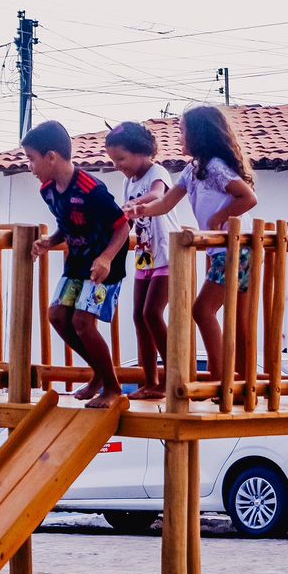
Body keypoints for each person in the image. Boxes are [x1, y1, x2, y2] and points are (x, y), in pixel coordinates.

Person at [126, 105, 258, 382]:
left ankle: (221, 379)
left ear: (199, 135)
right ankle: (235, 381)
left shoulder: (215, 168)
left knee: (204, 310)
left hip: (235, 251)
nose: (180, 137)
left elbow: (248, 198)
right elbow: (165, 203)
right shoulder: (192, 170)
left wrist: (220, 217)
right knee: (233, 317)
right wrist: (141, 210)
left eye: (183, 131)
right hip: (224, 252)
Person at [23, 120, 130, 409]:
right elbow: (67, 224)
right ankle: (99, 374)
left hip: (103, 267)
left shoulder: (91, 189)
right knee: (57, 316)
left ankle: (113, 388)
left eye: (31, 159)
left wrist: (106, 258)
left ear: (51, 157)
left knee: (83, 322)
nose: (29, 167)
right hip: (77, 264)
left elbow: (122, 226)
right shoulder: (48, 190)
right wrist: (50, 241)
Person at [105, 120, 172, 400]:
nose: (118, 165)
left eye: (121, 159)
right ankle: (150, 380)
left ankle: (172, 377)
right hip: (144, 255)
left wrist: (134, 204)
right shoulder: (128, 181)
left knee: (151, 313)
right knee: (138, 316)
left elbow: (157, 195)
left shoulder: (157, 172)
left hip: (167, 252)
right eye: (114, 160)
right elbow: (128, 223)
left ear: (141, 151)